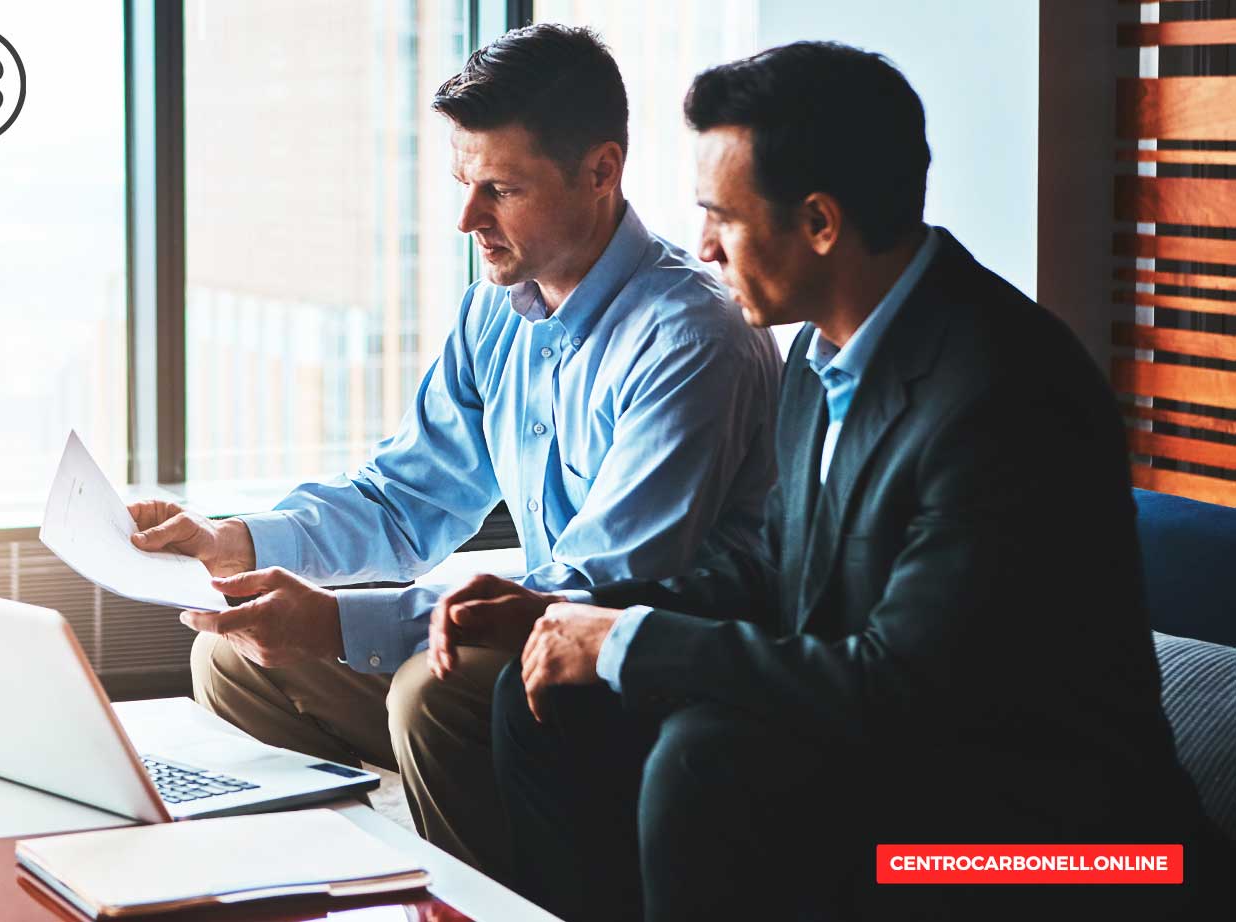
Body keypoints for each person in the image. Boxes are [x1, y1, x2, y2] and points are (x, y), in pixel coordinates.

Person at [438, 41, 1224, 921]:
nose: (700, 245)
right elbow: (781, 572)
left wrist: (626, 643)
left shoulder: (1003, 389)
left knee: (710, 758)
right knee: (546, 698)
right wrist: (581, 615)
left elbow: (904, 688)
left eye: (720, 216)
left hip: (1059, 849)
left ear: (820, 223)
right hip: (904, 772)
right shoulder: (821, 350)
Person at [127, 24, 780, 882]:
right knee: (234, 659)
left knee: (435, 694)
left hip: (643, 661)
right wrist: (233, 544)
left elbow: (604, 585)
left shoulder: (689, 335)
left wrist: (332, 622)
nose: (467, 218)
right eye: (463, 184)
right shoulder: (494, 309)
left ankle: (492, 901)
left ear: (601, 171)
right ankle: (335, 887)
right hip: (538, 635)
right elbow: (404, 500)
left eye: (500, 189)